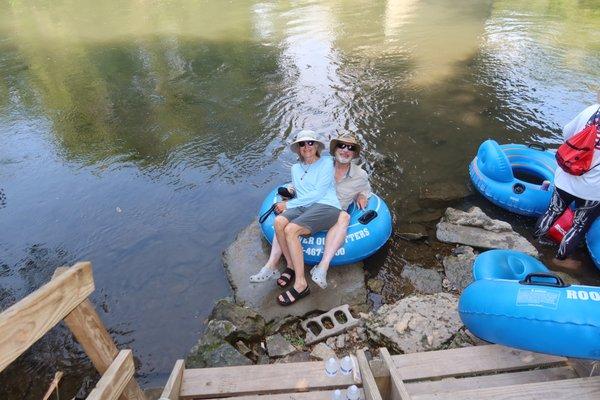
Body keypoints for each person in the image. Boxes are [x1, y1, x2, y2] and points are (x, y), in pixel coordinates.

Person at [250, 132, 371, 291]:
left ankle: (321, 268)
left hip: (333, 208)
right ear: (334, 150)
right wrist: (290, 195)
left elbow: (367, 189)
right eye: (341, 146)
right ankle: (280, 265)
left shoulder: (360, 175)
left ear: (355, 153)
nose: (345, 150)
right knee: (280, 222)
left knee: (344, 216)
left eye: (350, 148)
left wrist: (362, 195)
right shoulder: (324, 163)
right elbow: (305, 182)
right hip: (310, 205)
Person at [265, 130, 341, 305]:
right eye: (302, 144)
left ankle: (301, 284)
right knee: (279, 222)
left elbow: (318, 193)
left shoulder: (327, 163)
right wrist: (289, 196)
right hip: (304, 206)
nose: (306, 147)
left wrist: (288, 205)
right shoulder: (295, 168)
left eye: (310, 143)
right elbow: (301, 192)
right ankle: (290, 266)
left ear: (316, 146)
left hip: (326, 206)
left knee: (291, 229)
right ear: (298, 148)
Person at [535, 101, 600, 269]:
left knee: (552, 211)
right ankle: (560, 259)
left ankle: (535, 243)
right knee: (579, 226)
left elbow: (567, 132)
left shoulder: (592, 110)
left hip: (566, 177)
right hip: (593, 190)